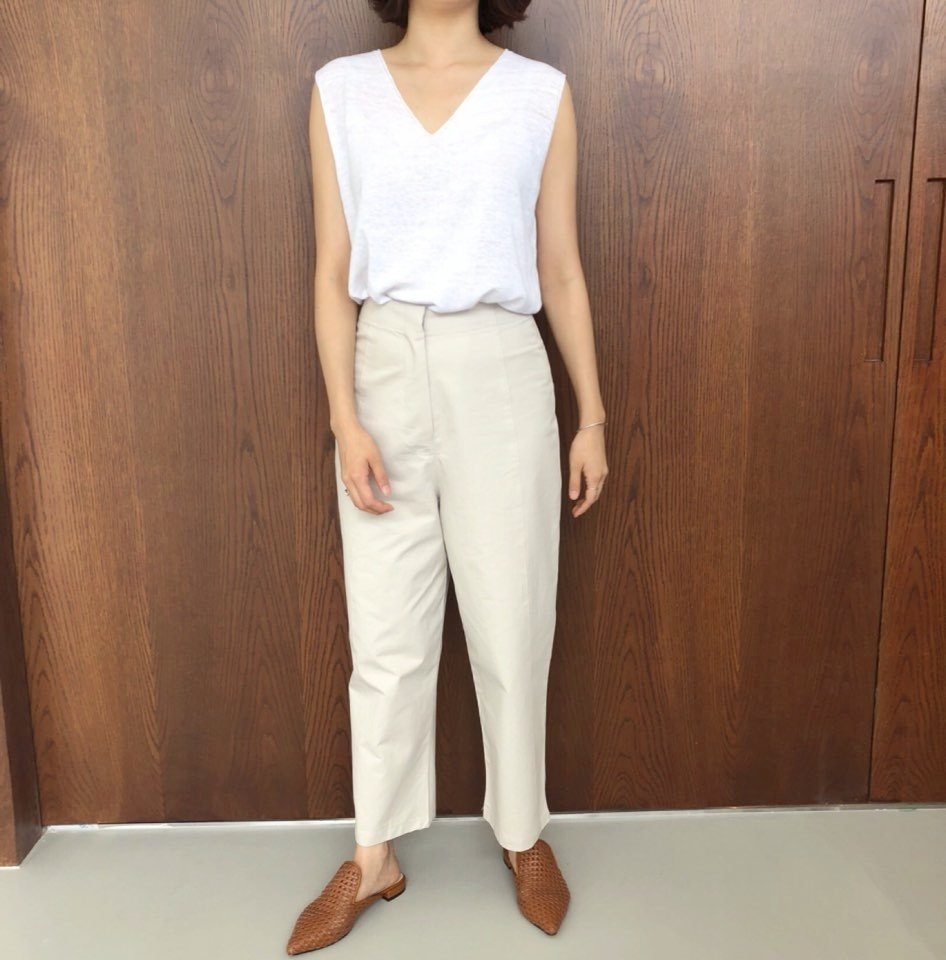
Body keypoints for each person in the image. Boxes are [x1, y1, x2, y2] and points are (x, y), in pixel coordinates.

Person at [287, 0, 607, 952]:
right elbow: (332, 268)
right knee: (384, 630)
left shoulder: (539, 95)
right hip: (382, 366)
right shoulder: (341, 92)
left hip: (500, 363)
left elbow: (560, 267)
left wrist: (592, 416)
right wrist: (345, 418)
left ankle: (523, 835)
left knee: (513, 621)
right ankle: (374, 852)